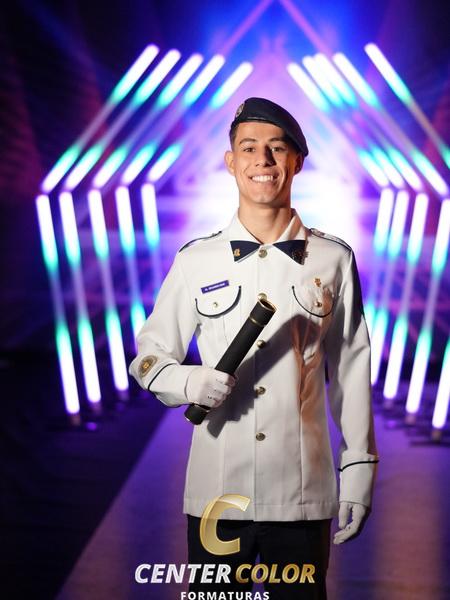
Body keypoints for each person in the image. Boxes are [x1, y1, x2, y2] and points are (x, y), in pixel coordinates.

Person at [129, 97, 378, 599]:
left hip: (302, 494)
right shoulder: (196, 259)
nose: (262, 160)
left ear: (297, 161)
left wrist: (357, 470)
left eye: (276, 148)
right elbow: (149, 357)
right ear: (231, 162)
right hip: (217, 495)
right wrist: (189, 381)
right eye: (248, 148)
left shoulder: (333, 259)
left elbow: (351, 372)